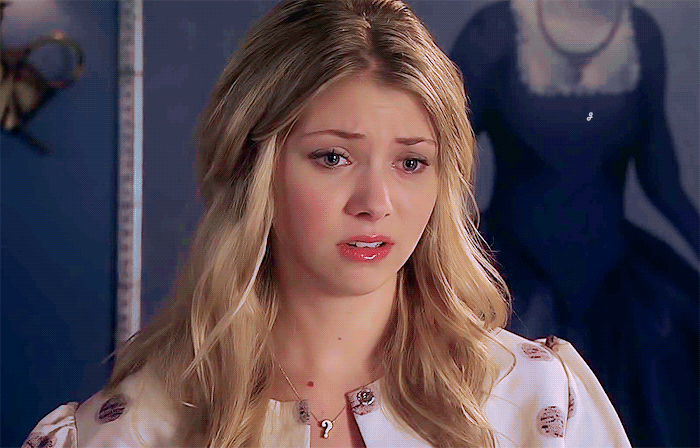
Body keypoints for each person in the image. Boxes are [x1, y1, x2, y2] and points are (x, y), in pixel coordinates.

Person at [22, 0, 631, 446]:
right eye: (333, 157)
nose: (376, 202)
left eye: (411, 162)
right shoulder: (125, 432)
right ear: (254, 169)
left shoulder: (541, 405)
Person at [449, 1, 699, 446]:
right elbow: (442, 165)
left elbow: (661, 179)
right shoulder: (494, 32)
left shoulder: (639, 33)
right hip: (511, 276)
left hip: (615, 279)